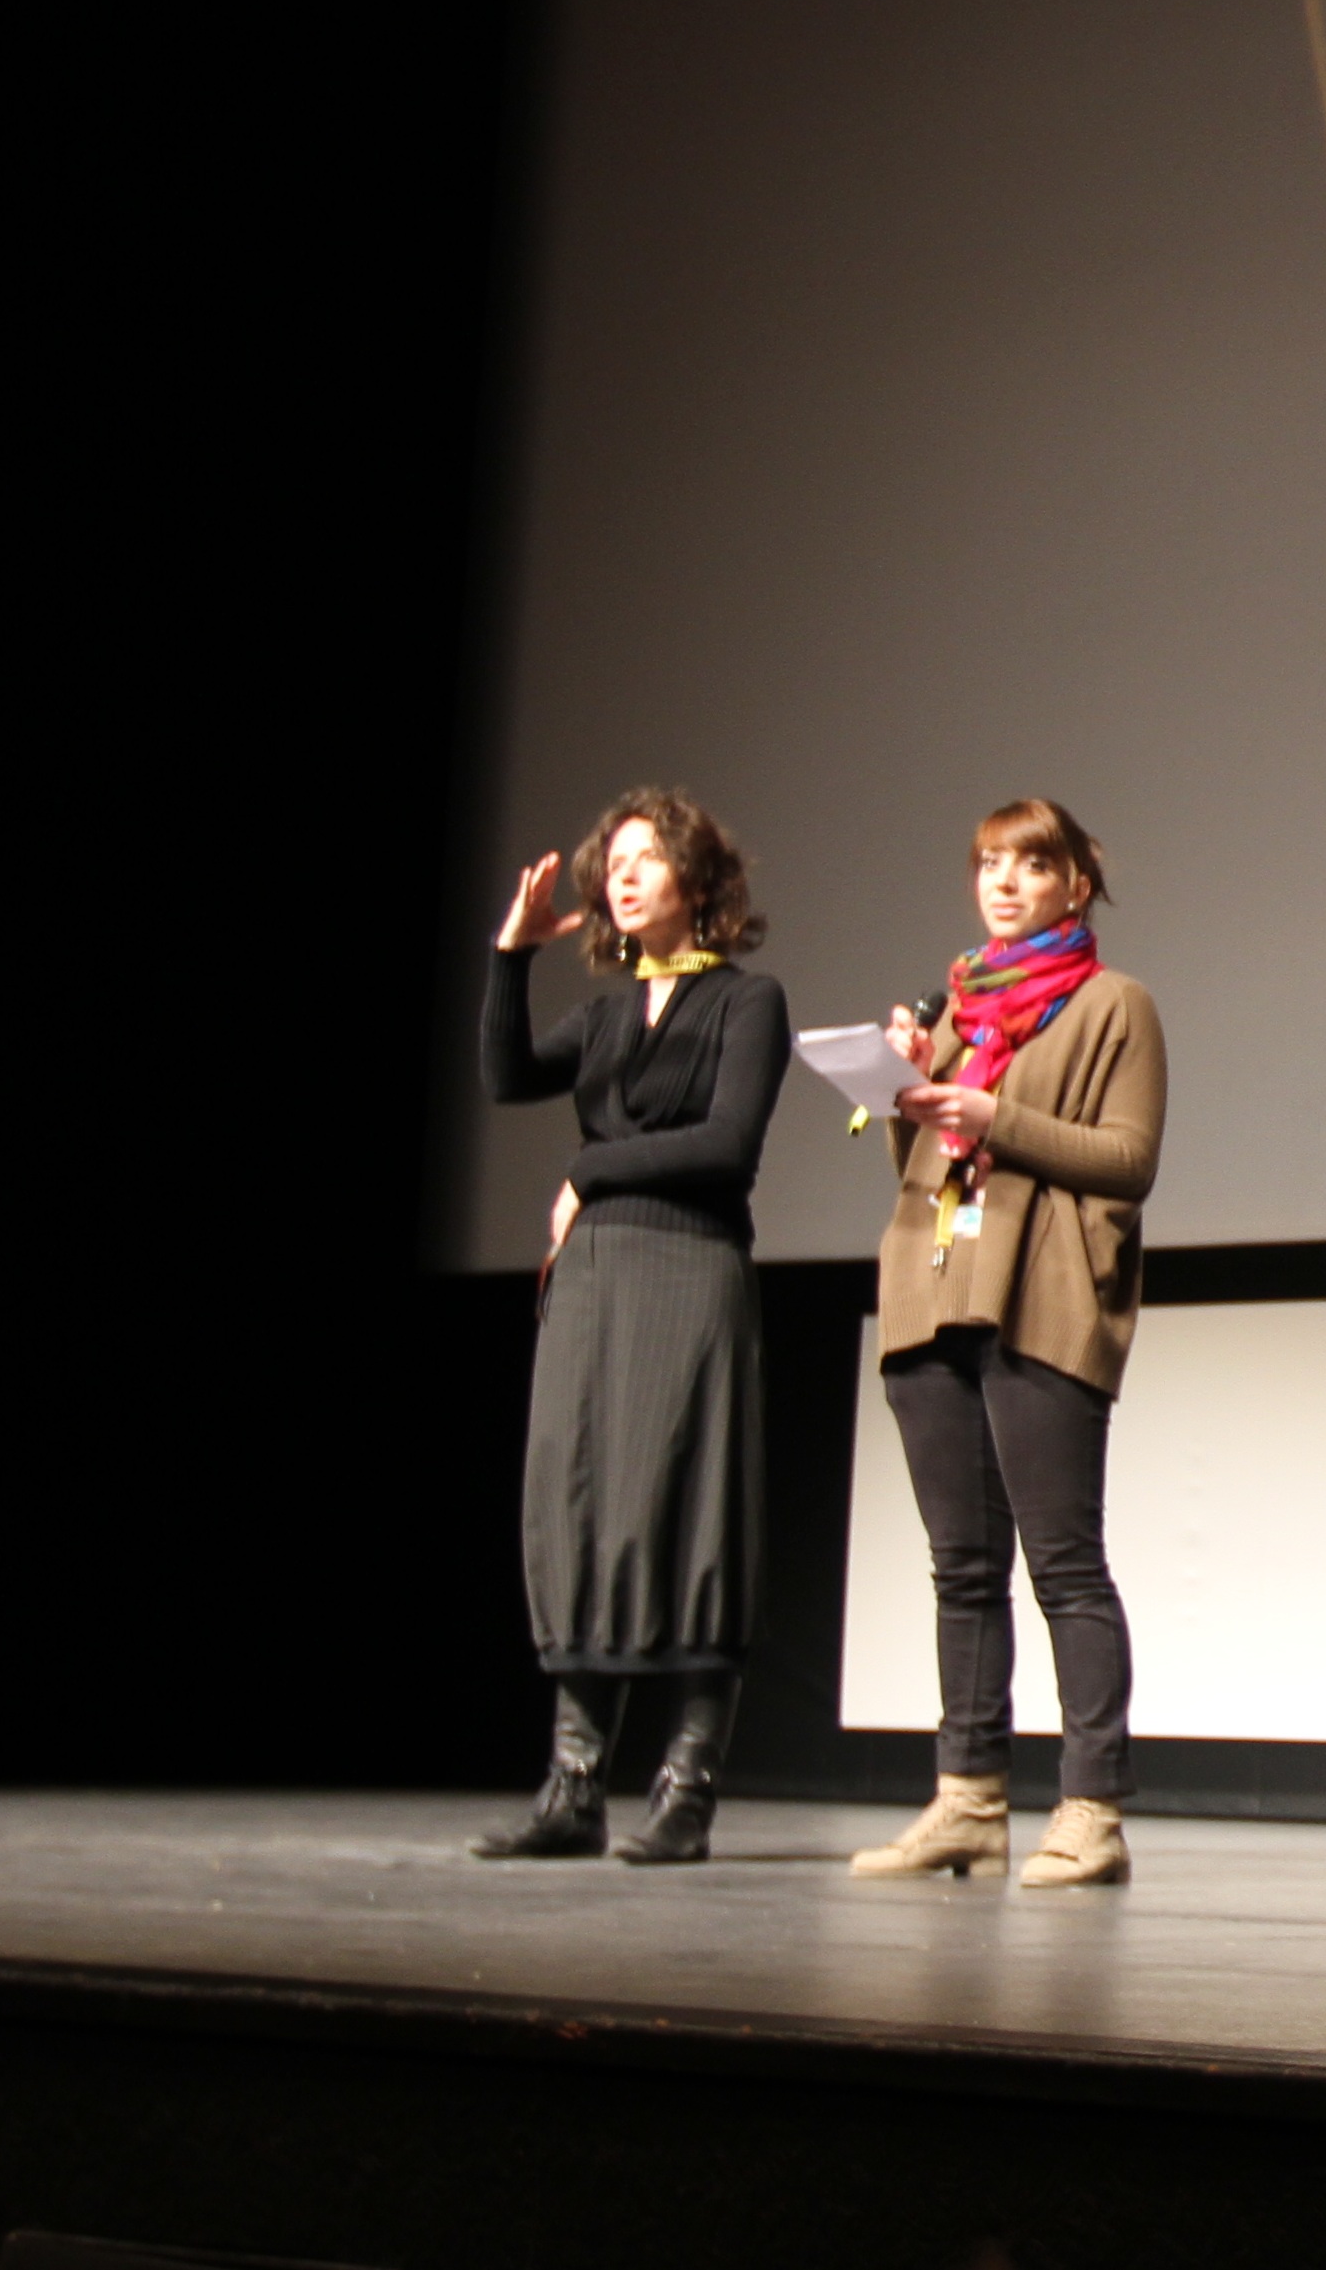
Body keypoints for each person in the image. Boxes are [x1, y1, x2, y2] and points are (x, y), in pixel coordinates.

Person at [845, 799, 1166, 1893]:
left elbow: (1127, 1158)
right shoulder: (955, 1011)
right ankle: (968, 1800)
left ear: (1076, 883)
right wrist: (902, 1088)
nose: (1005, 881)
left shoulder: (1114, 1006)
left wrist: (994, 1120)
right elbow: (923, 1159)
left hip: (1043, 1289)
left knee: (1063, 1565)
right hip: (935, 1283)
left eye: (1032, 863)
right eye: (989, 862)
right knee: (959, 1567)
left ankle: (1090, 1808)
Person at [472, 788, 790, 1866]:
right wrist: (510, 956)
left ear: (696, 881)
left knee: (683, 1511)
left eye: (646, 857)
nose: (621, 870)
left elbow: (727, 1144)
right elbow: (507, 1075)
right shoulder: (606, 1015)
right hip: (594, 1279)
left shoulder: (748, 1002)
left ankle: (686, 1785)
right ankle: (572, 1786)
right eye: (615, 858)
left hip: (688, 1268)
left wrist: (587, 1167)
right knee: (577, 1505)